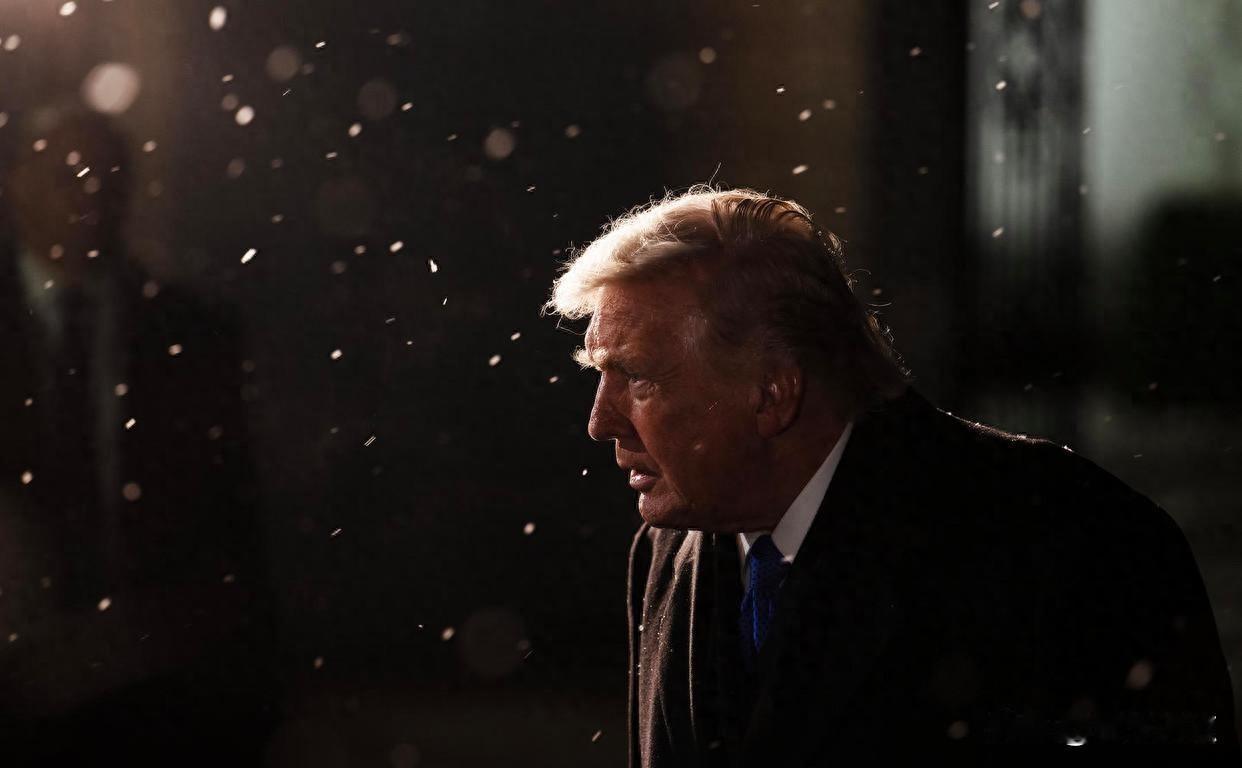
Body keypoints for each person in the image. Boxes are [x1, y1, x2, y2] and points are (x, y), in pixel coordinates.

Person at [542, 187, 1239, 764]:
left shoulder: (1077, 544)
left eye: (637, 378)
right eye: (600, 375)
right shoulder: (670, 550)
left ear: (773, 393)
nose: (600, 422)